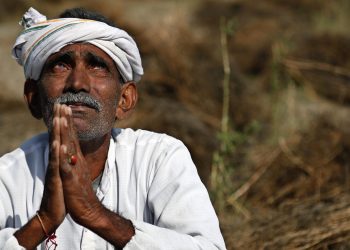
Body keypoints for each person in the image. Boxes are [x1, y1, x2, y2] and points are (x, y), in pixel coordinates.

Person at [0, 7, 226, 250]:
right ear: (33, 98)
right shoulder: (8, 177)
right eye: (61, 66)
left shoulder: (160, 159)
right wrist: (43, 222)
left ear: (124, 100)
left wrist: (97, 215)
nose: (77, 83)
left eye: (97, 66)